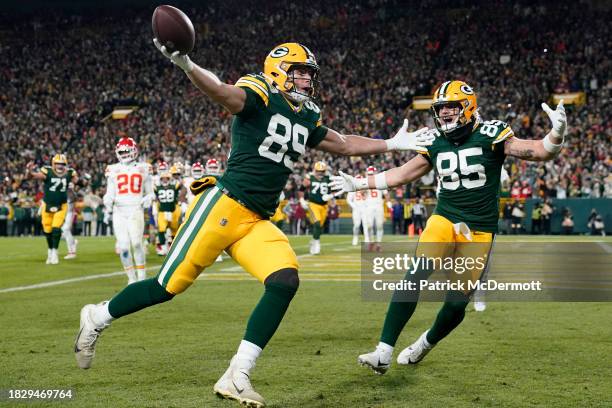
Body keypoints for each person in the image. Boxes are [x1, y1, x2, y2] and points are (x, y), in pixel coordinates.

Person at [74, 41, 434, 408]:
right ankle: (98, 316)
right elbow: (223, 93)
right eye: (300, 70)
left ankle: (238, 373)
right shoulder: (259, 90)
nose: (308, 79)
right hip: (224, 206)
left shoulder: (307, 113)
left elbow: (343, 144)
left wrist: (391, 143)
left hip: (257, 219)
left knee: (284, 280)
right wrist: (187, 65)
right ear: (278, 70)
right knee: (166, 287)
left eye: (310, 72)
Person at [330, 80, 568, 374]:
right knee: (414, 276)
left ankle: (425, 344)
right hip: (444, 219)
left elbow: (538, 152)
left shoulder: (492, 134)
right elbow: (402, 175)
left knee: (456, 305)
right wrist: (360, 183)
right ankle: (383, 351)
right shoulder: (435, 141)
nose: (444, 115)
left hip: (479, 229)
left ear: (467, 107)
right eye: (440, 109)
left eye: (451, 108)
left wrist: (555, 135)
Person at [103, 137, 155, 284]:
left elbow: (150, 192)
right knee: (124, 247)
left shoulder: (144, 167)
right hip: (119, 210)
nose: (124, 153)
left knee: (137, 244)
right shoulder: (112, 169)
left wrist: (149, 198)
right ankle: (131, 279)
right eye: (121, 151)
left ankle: (142, 277)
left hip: (135, 209)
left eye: (126, 150)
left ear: (134, 151)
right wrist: (107, 202)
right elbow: (110, 192)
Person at [25, 154, 78, 264]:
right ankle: (50, 250)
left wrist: (78, 182)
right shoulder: (47, 171)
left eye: (62, 164)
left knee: (56, 228)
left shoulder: (69, 173)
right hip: (47, 205)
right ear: (53, 164)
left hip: (62, 206)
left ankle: (55, 252)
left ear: (66, 164)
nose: (60, 166)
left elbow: (78, 180)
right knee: (47, 230)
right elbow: (33, 176)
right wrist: (29, 171)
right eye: (58, 163)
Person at [303, 161, 337, 254]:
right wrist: (302, 199)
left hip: (324, 206)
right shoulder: (309, 177)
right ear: (315, 170)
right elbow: (302, 188)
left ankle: (313, 241)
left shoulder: (329, 178)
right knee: (317, 224)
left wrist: (331, 196)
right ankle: (317, 243)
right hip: (313, 204)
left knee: (320, 227)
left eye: (322, 171)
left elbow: (335, 191)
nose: (320, 173)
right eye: (318, 171)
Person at [364, 165, 391, 251]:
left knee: (379, 225)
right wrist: (364, 185)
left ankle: (379, 244)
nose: (371, 176)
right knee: (369, 225)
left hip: (379, 206)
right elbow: (361, 193)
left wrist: (389, 204)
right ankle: (371, 242)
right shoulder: (365, 182)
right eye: (369, 174)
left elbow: (386, 194)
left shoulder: (380, 182)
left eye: (372, 174)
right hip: (369, 206)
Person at [346, 176, 370, 246]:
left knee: (365, 224)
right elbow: (348, 200)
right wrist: (354, 206)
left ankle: (367, 238)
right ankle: (355, 237)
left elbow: (369, 198)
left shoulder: (366, 188)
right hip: (356, 209)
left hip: (364, 208)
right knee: (356, 225)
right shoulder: (353, 189)